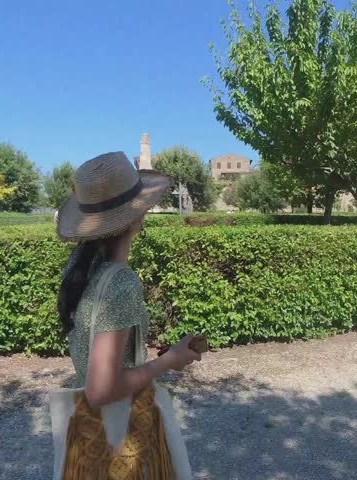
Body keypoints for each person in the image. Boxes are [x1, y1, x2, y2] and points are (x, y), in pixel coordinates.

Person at [55, 151, 201, 478]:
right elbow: (101, 390)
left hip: (87, 436)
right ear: (137, 217)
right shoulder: (121, 282)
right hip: (117, 441)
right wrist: (170, 360)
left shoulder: (82, 269)